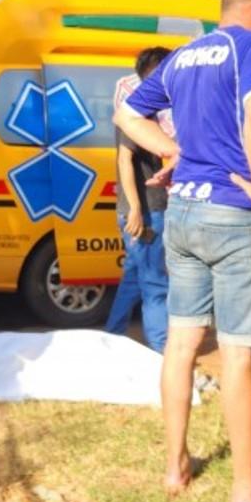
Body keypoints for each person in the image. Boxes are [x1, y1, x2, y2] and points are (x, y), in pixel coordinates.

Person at [115, 0, 251, 502]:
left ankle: (175, 467)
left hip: (186, 214)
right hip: (238, 216)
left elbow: (127, 114)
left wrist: (174, 152)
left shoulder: (183, 56)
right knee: (239, 354)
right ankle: (248, 487)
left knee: (182, 342)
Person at [103, 47, 172, 352]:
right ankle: (161, 352)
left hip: (148, 208)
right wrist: (135, 210)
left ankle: (112, 337)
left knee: (134, 277)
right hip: (147, 210)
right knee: (155, 284)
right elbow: (124, 161)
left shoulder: (150, 112)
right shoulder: (137, 112)